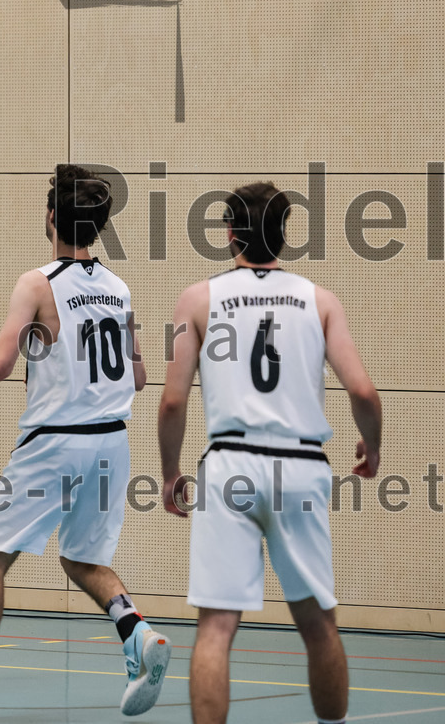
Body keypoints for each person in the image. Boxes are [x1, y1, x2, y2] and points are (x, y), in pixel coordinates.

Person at [0, 164, 170, 721]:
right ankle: (137, 631)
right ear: (97, 227)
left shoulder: (38, 282)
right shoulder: (118, 288)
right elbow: (140, 378)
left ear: (51, 219)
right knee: (82, 558)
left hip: (54, 443)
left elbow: (0, 366)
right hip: (112, 443)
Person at [157, 181, 383, 724]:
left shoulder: (198, 298)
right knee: (318, 622)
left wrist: (170, 474)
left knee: (216, 626)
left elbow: (170, 402)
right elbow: (364, 393)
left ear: (229, 234)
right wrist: (371, 448)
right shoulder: (320, 300)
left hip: (230, 467)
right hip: (301, 468)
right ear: (285, 235)